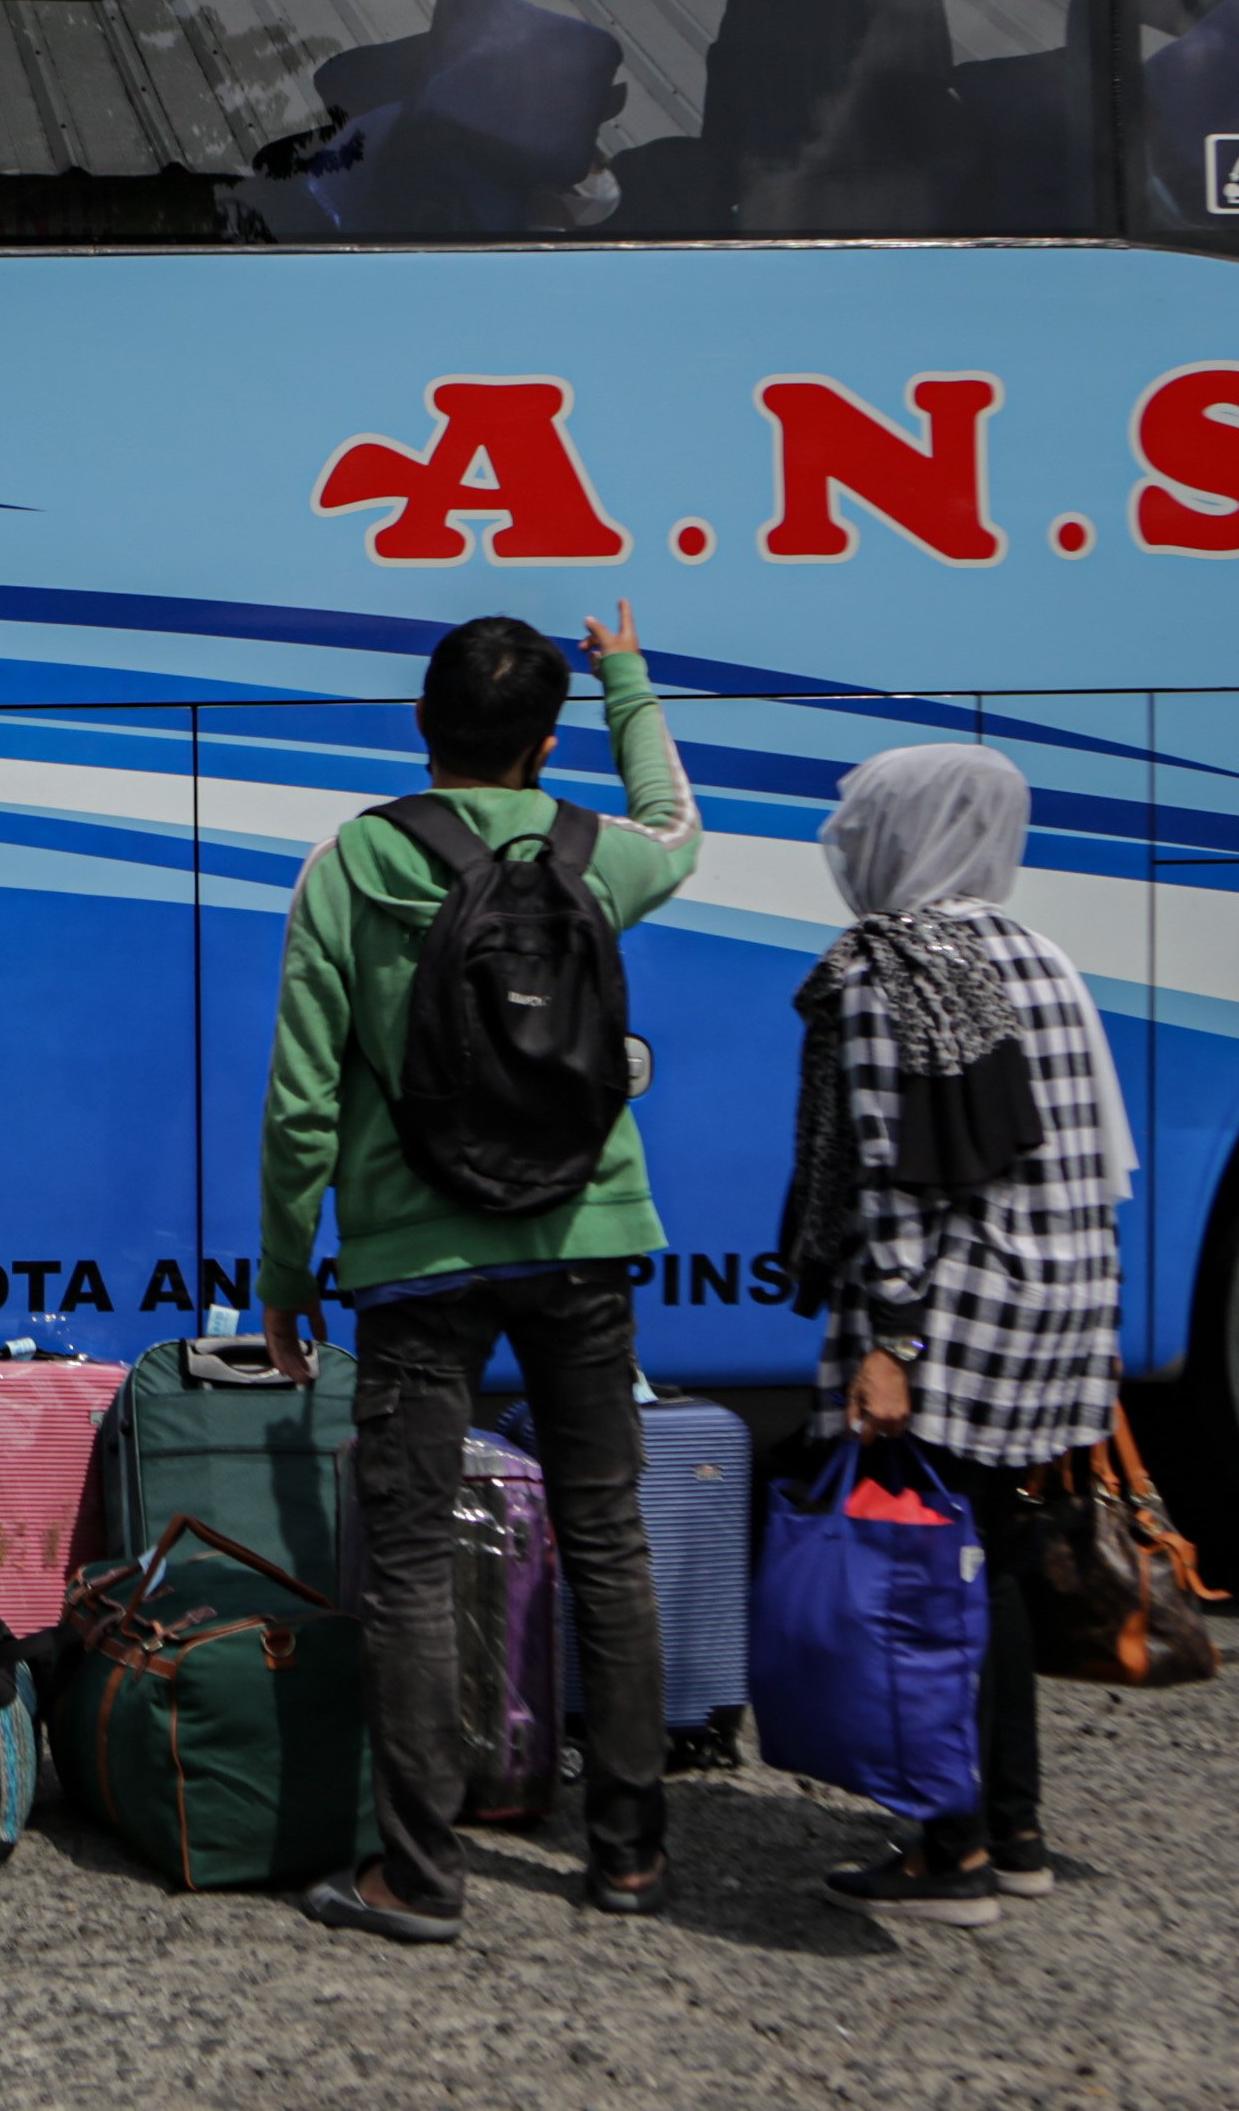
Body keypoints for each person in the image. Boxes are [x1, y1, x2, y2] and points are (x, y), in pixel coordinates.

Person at [259, 603, 700, 1943]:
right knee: (606, 1534)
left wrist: (287, 1273)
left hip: (415, 1258)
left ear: (421, 723)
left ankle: (419, 1873)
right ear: (546, 741)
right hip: (586, 1235)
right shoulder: (596, 856)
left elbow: (301, 1103)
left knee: (406, 1561)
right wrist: (629, 681)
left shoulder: (354, 860)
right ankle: (628, 1855)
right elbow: (681, 827)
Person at [778, 742, 1130, 1929]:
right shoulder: (1042, 956)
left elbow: (895, 1179)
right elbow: (1095, 1157)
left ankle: (951, 1852)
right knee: (988, 1560)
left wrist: (893, 1344)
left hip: (951, 1312)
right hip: (1059, 1303)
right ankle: (1014, 1831)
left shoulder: (886, 968)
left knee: (925, 1582)